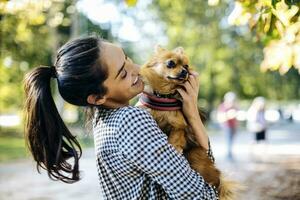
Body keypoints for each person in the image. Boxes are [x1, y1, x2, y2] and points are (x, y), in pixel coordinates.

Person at [23, 36, 218, 199]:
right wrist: (192, 113)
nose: (136, 68)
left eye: (127, 58)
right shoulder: (131, 120)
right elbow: (203, 195)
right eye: (123, 73)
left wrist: (190, 112)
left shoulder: (104, 121)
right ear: (98, 97)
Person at [217, 91, 238, 161]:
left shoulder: (234, 106)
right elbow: (220, 118)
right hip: (226, 127)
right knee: (228, 140)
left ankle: (230, 153)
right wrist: (229, 115)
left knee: (232, 140)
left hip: (233, 126)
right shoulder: (223, 106)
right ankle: (228, 155)